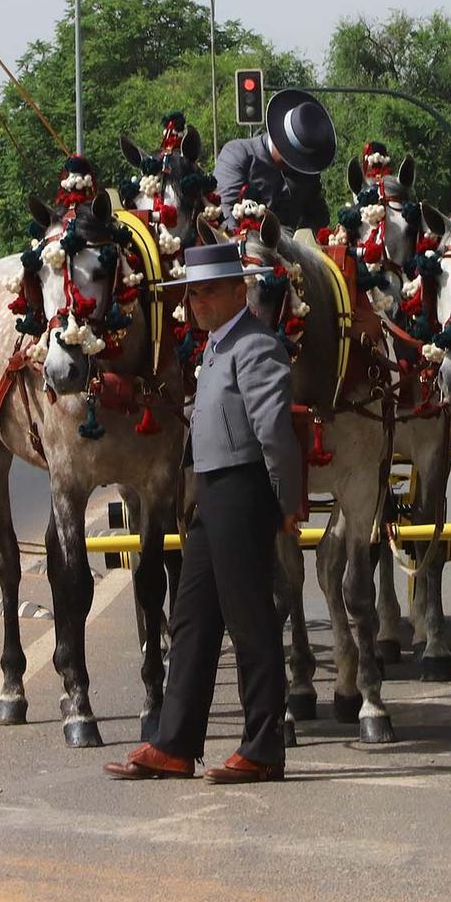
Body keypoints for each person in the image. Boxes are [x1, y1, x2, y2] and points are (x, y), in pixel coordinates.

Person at [105, 240, 305, 785]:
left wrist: (288, 503)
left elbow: (275, 434)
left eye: (209, 290)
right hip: (212, 493)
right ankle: (175, 743)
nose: (196, 301)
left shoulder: (257, 344)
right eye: (191, 292)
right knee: (193, 619)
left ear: (240, 290)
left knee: (249, 619)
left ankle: (263, 748)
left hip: (244, 489)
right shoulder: (217, 346)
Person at [211, 88, 336, 231]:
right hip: (244, 247)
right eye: (294, 160)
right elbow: (225, 210)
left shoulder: (306, 175)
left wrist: (301, 242)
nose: (296, 167)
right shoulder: (238, 153)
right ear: (281, 142)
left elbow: (318, 216)